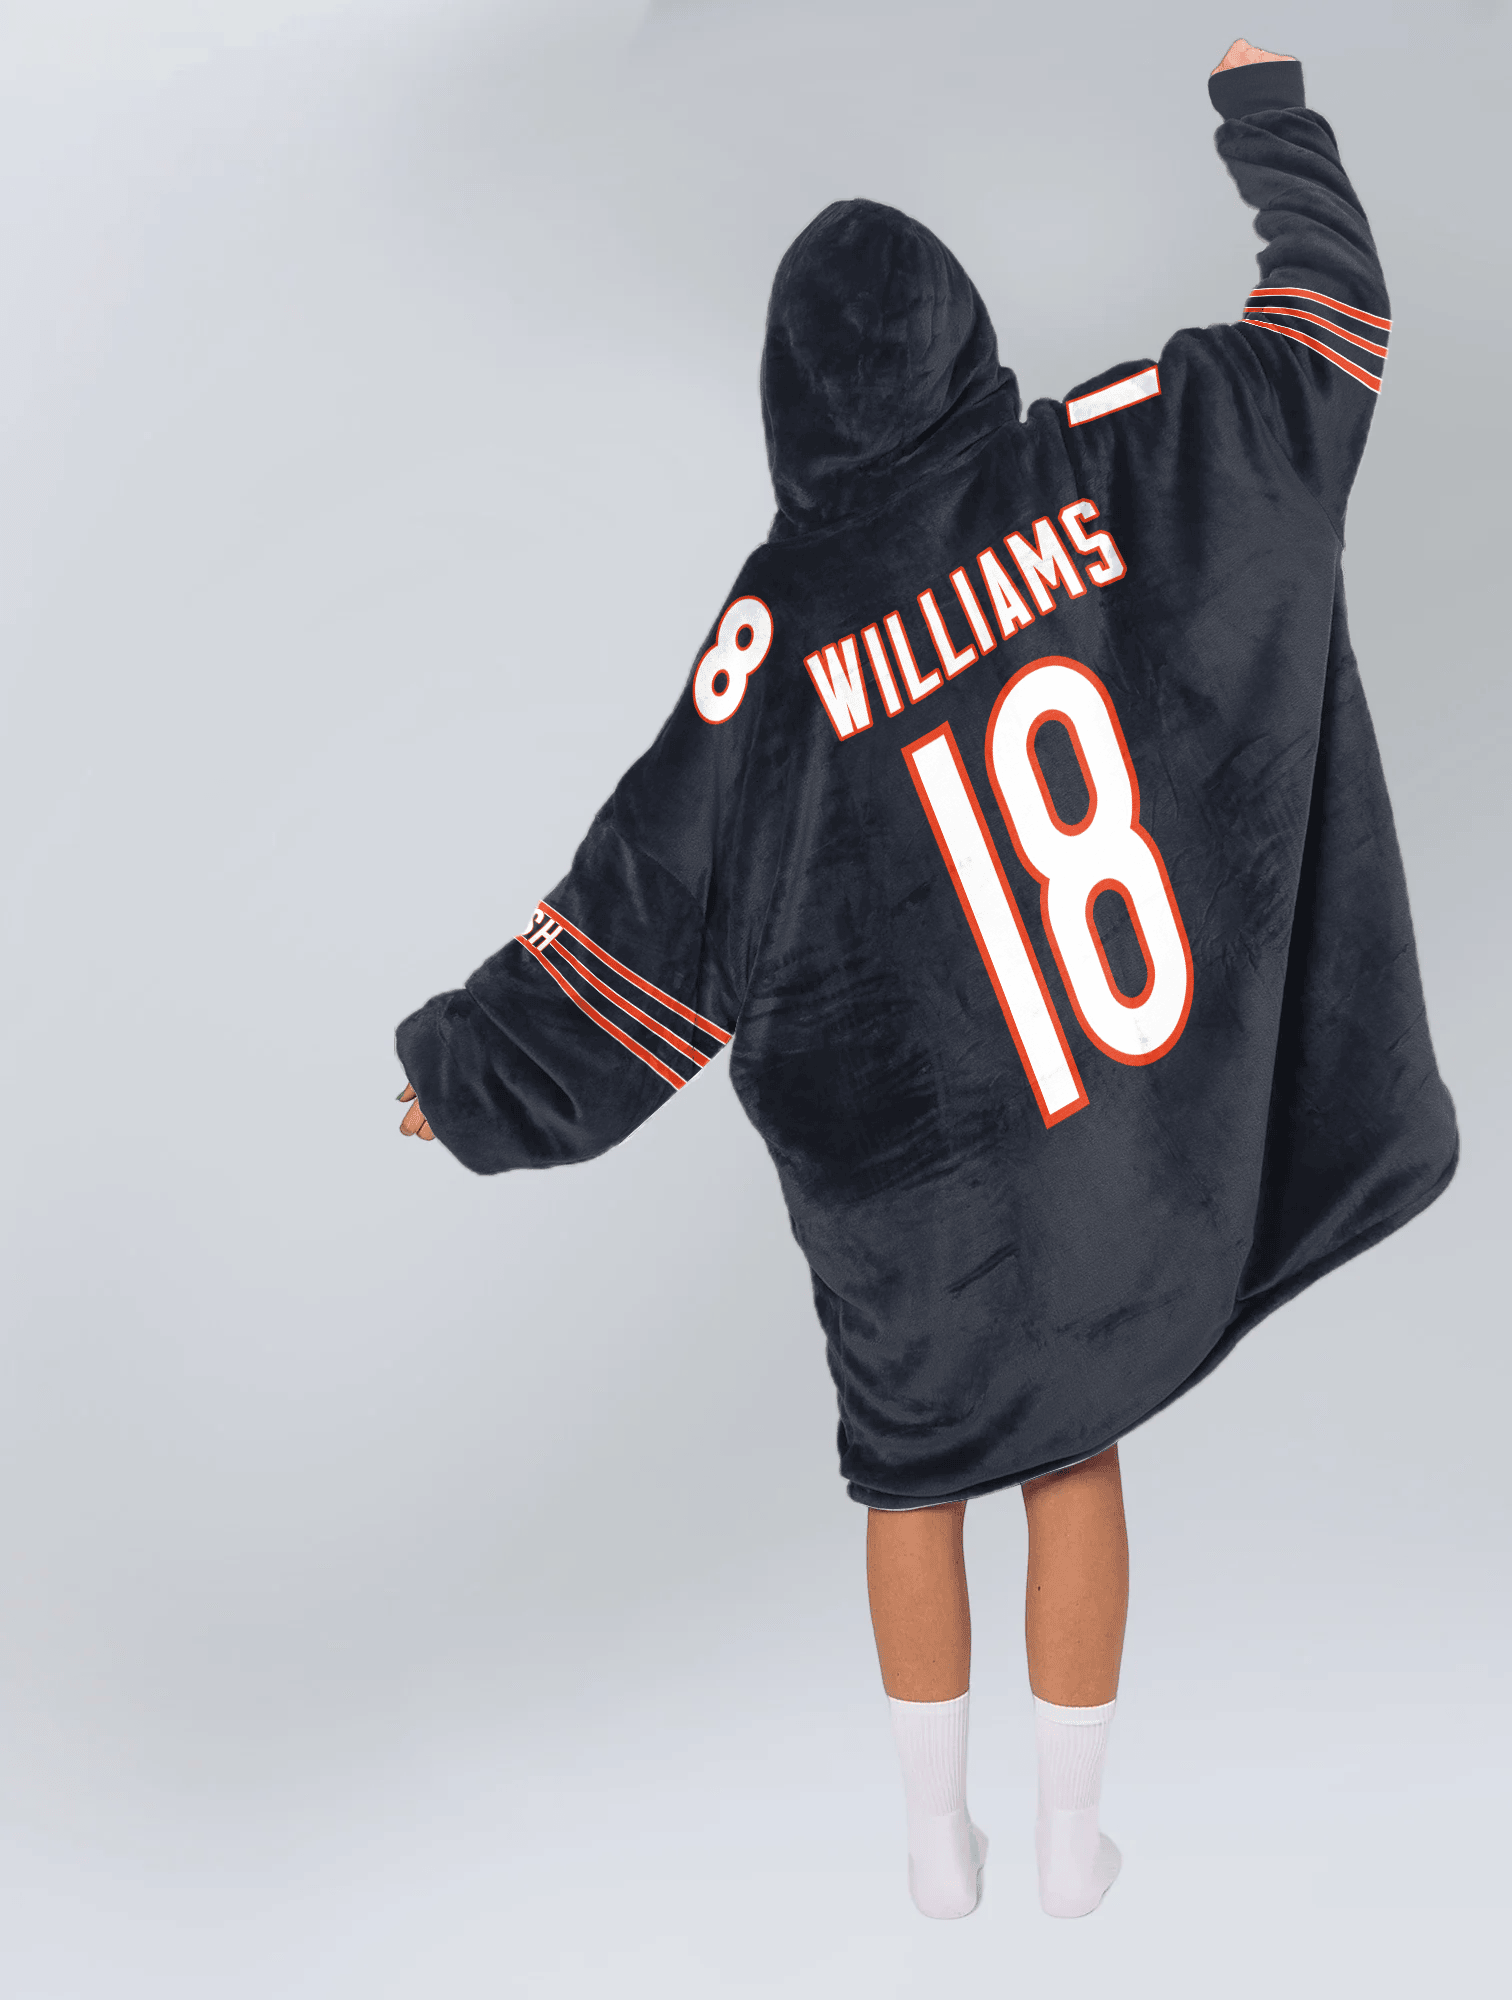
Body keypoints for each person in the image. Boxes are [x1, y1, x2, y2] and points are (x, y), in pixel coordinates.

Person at [393, 37, 1457, 1920]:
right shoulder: (1118, 456)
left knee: (911, 1477)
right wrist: (1264, 107)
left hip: (917, 1197)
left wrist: (466, 1079)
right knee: (1074, 1451)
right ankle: (1067, 1846)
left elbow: (648, 891)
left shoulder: (774, 632)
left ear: (788, 406)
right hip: (1119, 1145)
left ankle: (929, 1846)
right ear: (964, 336)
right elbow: (1329, 328)